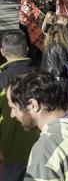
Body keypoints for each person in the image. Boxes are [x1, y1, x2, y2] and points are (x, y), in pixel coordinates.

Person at [0, 31, 39, 181]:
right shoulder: (42, 75)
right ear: (27, 49)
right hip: (39, 147)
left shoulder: (2, 79)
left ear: (2, 52)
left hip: (9, 154)